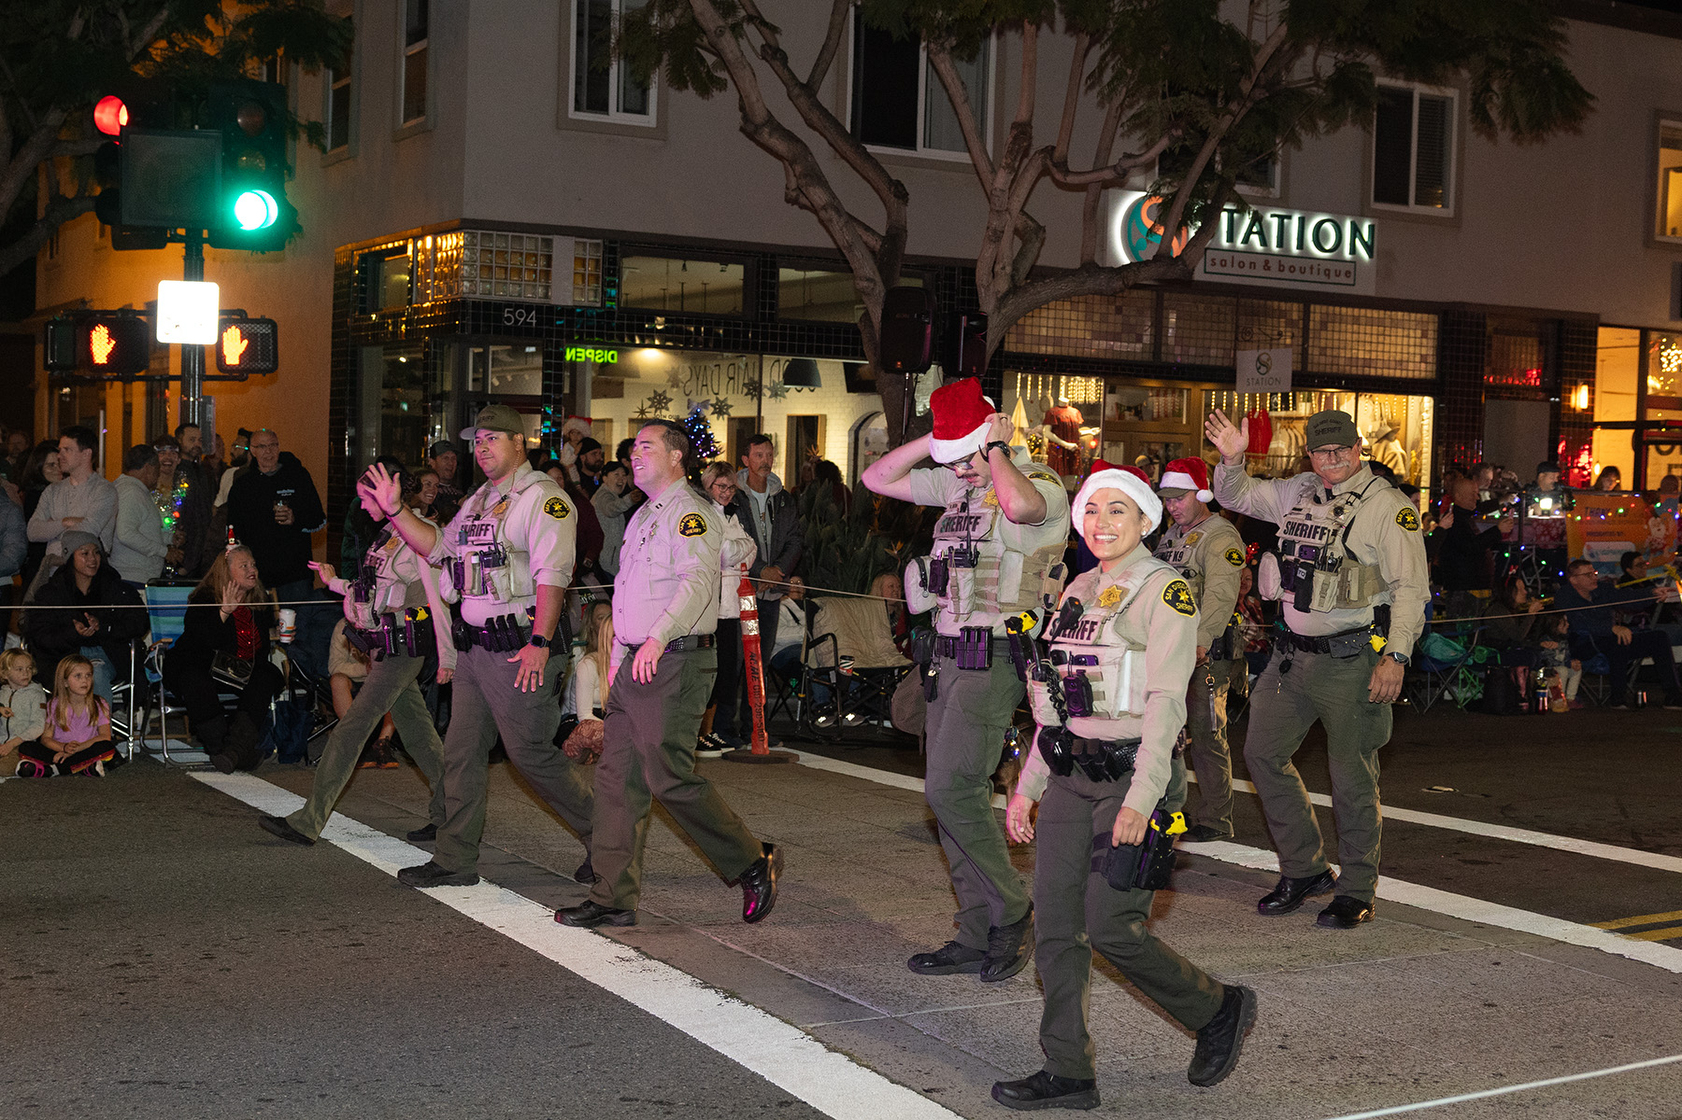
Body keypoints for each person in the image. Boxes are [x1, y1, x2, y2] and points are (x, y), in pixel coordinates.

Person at [995, 463, 1255, 1110]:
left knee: (1110, 926)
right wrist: (1028, 786)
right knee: (1056, 929)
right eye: (1091, 509)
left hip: (1134, 777)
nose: (1101, 522)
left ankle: (1217, 1007)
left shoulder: (1165, 591)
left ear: (1145, 520)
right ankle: (1068, 1070)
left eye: (1118, 510)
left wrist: (1141, 799)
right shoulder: (1079, 587)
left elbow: (1168, 702)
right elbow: (1052, 702)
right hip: (1071, 777)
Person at [861, 377, 1070, 981]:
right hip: (946, 654)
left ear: (992, 440)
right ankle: (976, 930)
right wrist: (940, 441)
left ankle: (1011, 911)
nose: (959, 471)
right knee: (951, 797)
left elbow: (1023, 510)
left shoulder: (1038, 481)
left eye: (966, 458)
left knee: (950, 791)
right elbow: (876, 478)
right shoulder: (958, 480)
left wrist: (997, 449)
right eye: (950, 460)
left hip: (997, 653)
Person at [1205, 407, 1429, 928]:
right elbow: (1235, 496)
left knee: (1352, 778)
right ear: (1309, 455)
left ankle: (1356, 888)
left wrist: (1396, 656)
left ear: (1358, 449)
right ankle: (1304, 869)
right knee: (1262, 754)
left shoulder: (1387, 506)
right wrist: (1232, 460)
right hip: (1290, 657)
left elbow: (1410, 589)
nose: (1332, 459)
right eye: (1321, 451)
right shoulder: (1298, 491)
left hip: (1353, 659)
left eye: (1341, 450)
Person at [556, 420, 782, 929]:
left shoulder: (691, 513)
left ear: (677, 456)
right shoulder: (643, 515)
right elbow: (627, 594)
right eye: (633, 447)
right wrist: (619, 660)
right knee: (616, 780)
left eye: (646, 446)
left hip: (675, 658)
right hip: (637, 660)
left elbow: (697, 582)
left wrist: (657, 638)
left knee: (667, 775)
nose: (634, 454)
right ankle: (612, 897)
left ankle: (751, 859)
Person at [363, 405, 595, 889]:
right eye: (478, 440)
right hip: (474, 649)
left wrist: (540, 641)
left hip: (521, 648)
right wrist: (396, 510)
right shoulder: (478, 500)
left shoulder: (543, 498)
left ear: (519, 442)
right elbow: (438, 548)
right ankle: (454, 859)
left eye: (493, 438)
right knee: (462, 752)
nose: (482, 447)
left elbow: (553, 576)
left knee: (530, 754)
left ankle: (607, 836)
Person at [257, 465, 456, 848]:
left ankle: (308, 821)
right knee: (418, 733)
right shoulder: (388, 535)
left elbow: (438, 599)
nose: (363, 506)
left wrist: (448, 656)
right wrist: (334, 581)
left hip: (405, 646)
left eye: (367, 498)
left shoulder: (417, 533)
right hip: (386, 645)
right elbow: (373, 592)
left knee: (351, 729)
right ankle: (449, 812)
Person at [1152, 457, 1245, 842]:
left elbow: (1221, 595)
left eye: (1179, 498)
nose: (1172, 506)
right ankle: (1167, 805)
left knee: (1207, 735)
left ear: (1201, 495)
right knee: (1165, 731)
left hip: (1204, 652)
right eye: (1167, 499)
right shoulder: (1171, 536)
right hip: (1170, 648)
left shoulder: (1219, 536)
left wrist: (1201, 642)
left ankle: (1216, 818)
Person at [163, 544, 286, 774]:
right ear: (226, 572)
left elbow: (259, 650)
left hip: (236, 670)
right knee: (194, 678)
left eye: (253, 565)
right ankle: (231, 752)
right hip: (200, 664)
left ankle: (233, 752)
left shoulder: (259, 601)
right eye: (244, 566)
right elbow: (200, 642)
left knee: (268, 675)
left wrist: (280, 634)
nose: (252, 570)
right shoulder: (204, 598)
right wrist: (224, 612)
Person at [227, 429, 330, 676]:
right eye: (261, 447)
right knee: (255, 634)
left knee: (299, 634)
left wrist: (295, 518)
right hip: (256, 575)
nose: (268, 452)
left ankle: (302, 683)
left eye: (273, 445)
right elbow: (232, 530)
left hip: (294, 573)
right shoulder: (243, 484)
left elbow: (319, 519)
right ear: (252, 451)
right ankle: (260, 681)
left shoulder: (297, 476)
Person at [23, 531, 146, 704]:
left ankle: (96, 722)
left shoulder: (116, 588)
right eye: (85, 553)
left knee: (94, 673)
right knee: (78, 673)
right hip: (64, 654)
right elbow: (40, 634)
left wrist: (103, 627)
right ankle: (82, 721)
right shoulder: (52, 592)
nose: (92, 559)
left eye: (96, 552)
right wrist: (72, 632)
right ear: (70, 557)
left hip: (108, 652)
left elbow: (139, 622)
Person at [733, 434, 803, 718]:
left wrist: (777, 572)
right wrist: (761, 569)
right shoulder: (734, 497)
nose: (766, 461)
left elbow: (795, 539)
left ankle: (756, 725)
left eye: (769, 455)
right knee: (737, 660)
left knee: (760, 660)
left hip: (771, 592)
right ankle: (726, 726)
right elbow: (735, 540)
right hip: (742, 592)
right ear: (746, 460)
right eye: (759, 455)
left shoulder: (783, 499)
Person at [1557, 558, 1682, 709]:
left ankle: (1673, 696)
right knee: (1618, 641)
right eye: (1588, 575)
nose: (1594, 577)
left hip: (1610, 638)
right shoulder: (1564, 596)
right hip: (1582, 643)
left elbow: (1625, 597)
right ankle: (1618, 698)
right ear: (1574, 580)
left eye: (1594, 573)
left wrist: (1651, 593)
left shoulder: (1603, 589)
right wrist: (1611, 628)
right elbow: (1578, 622)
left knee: (1658, 638)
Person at [697, 462, 757, 756]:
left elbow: (752, 550)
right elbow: (724, 554)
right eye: (721, 486)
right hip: (711, 609)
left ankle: (721, 729)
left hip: (732, 608)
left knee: (729, 674)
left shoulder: (733, 515)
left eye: (731, 487)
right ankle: (704, 732)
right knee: (711, 673)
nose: (727, 492)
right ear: (708, 485)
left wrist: (740, 547)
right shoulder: (704, 514)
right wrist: (740, 548)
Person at [27, 425, 118, 572]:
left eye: (67, 450)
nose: (59, 456)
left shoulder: (104, 490)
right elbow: (32, 532)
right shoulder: (52, 490)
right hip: (54, 575)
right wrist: (65, 522)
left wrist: (51, 529)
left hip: (89, 577)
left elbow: (88, 531)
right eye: (60, 450)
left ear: (86, 453)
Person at [14, 655, 116, 778]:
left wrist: (76, 749)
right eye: (78, 676)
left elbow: (105, 736)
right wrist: (64, 748)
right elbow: (46, 738)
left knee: (106, 747)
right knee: (26, 747)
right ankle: (82, 767)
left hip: (85, 749)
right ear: (65, 682)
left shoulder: (99, 703)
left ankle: (52, 770)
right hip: (60, 750)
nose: (84, 680)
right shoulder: (54, 704)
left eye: (88, 675)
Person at [1432, 477, 1514, 617]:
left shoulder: (1466, 517)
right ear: (1459, 496)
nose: (1477, 497)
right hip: (1464, 589)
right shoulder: (1454, 520)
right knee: (1465, 627)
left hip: (1472, 587)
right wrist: (1497, 531)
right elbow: (1470, 547)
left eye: (1477, 493)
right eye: (1473, 494)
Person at [112, 444, 169, 585]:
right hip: (132, 577)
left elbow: (145, 530)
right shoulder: (131, 493)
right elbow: (126, 534)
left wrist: (170, 538)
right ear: (148, 468)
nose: (158, 475)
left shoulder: (132, 490)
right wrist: (163, 551)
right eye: (157, 469)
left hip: (135, 576)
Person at [170, 424, 216, 578]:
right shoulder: (176, 471)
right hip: (183, 550)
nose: (197, 444)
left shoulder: (202, 472)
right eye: (192, 440)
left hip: (200, 551)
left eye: (199, 440)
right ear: (179, 440)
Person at [0, 649, 48, 774]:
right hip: (2, 742)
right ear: (5, 674)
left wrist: (12, 744)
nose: (26, 673)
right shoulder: (2, 692)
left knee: (3, 768)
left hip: (21, 745)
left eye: (29, 668)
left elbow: (38, 726)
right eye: (19, 669)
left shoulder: (36, 694)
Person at [591, 460, 636, 578]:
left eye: (624, 475)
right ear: (604, 478)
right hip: (606, 562)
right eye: (616, 475)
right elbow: (611, 509)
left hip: (610, 561)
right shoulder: (603, 495)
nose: (621, 479)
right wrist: (630, 499)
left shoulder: (613, 496)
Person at [428, 440, 464, 524]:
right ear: (432, 462)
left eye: (453, 459)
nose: (450, 463)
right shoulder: (425, 490)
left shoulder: (460, 492)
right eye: (445, 458)